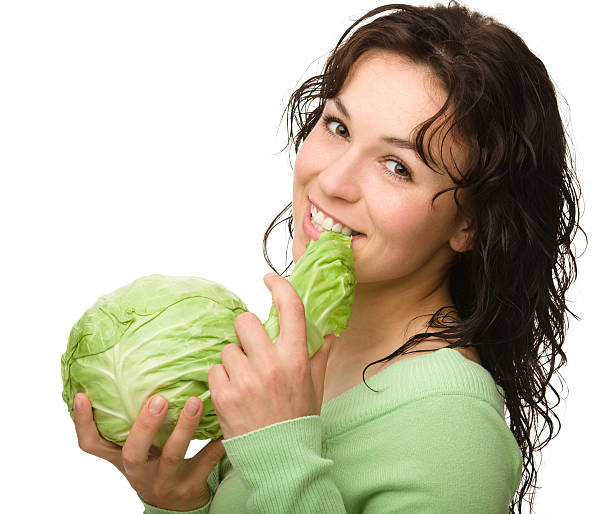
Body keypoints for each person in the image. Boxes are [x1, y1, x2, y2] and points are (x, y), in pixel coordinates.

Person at [72, 2, 583, 512]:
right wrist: (180, 503)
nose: (332, 182)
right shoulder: (295, 355)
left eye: (397, 166)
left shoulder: (453, 427)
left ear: (471, 223)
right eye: (338, 127)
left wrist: (280, 448)